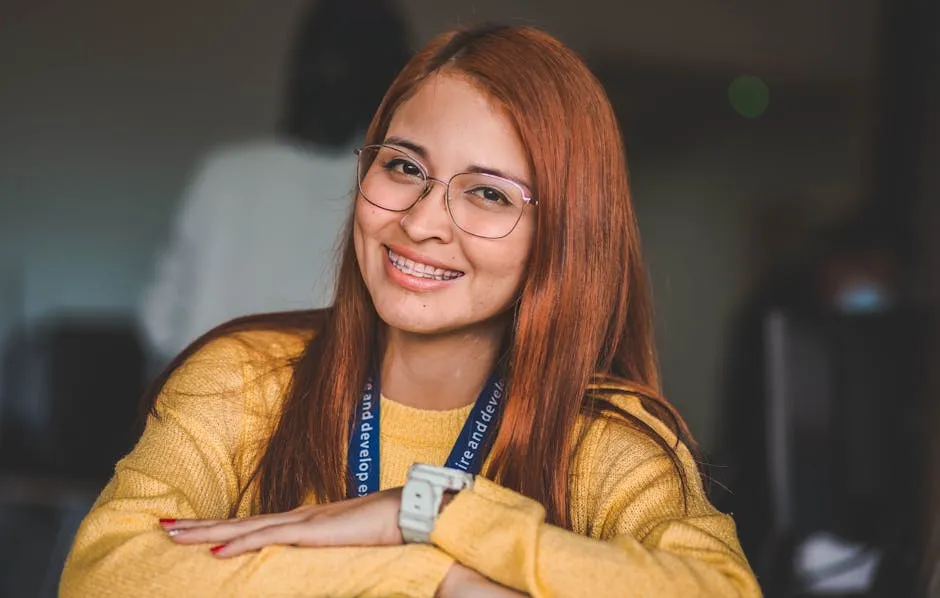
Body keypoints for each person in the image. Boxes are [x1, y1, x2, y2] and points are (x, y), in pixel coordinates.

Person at [60, 25, 761, 597]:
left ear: (564, 234)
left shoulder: (607, 436)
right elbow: (105, 576)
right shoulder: (242, 378)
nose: (423, 221)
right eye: (403, 166)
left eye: (487, 193)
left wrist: (432, 509)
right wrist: (435, 574)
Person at [139, 0, 411, 363]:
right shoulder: (391, 189)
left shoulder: (223, 173)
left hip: (204, 395)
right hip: (325, 407)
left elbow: (158, 318)